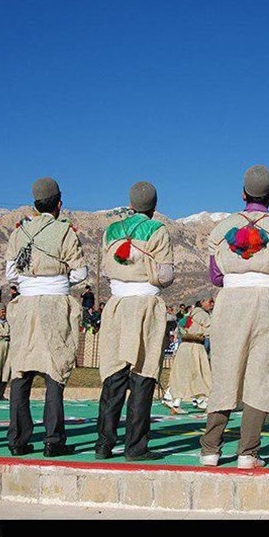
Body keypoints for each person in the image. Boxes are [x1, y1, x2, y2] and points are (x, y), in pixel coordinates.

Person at [199, 165, 269, 469]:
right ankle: (248, 452)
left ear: (243, 194)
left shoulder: (220, 230)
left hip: (231, 302)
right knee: (262, 373)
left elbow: (215, 277)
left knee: (225, 371)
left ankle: (210, 449)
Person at [5, 177, 88, 457]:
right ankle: (53, 440)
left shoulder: (19, 232)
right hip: (55, 304)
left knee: (21, 371)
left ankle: (17, 440)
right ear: (59, 204)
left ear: (34, 205)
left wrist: (32, 282)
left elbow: (11, 273)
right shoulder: (65, 232)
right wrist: (58, 279)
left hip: (25, 305)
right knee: (55, 370)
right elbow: (80, 273)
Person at [94, 182, 175, 461]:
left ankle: (103, 444)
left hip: (116, 305)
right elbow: (165, 275)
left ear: (130, 204)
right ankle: (135, 447)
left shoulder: (111, 231)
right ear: (154, 206)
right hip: (146, 306)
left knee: (114, 374)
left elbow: (106, 270)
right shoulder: (158, 230)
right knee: (143, 374)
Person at [163, 297, 213, 413]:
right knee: (200, 373)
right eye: (210, 301)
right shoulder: (203, 315)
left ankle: (172, 398)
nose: (212, 304)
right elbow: (210, 330)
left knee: (183, 373)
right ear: (202, 302)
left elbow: (178, 330)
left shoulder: (188, 314)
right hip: (195, 347)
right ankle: (184, 402)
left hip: (183, 347)